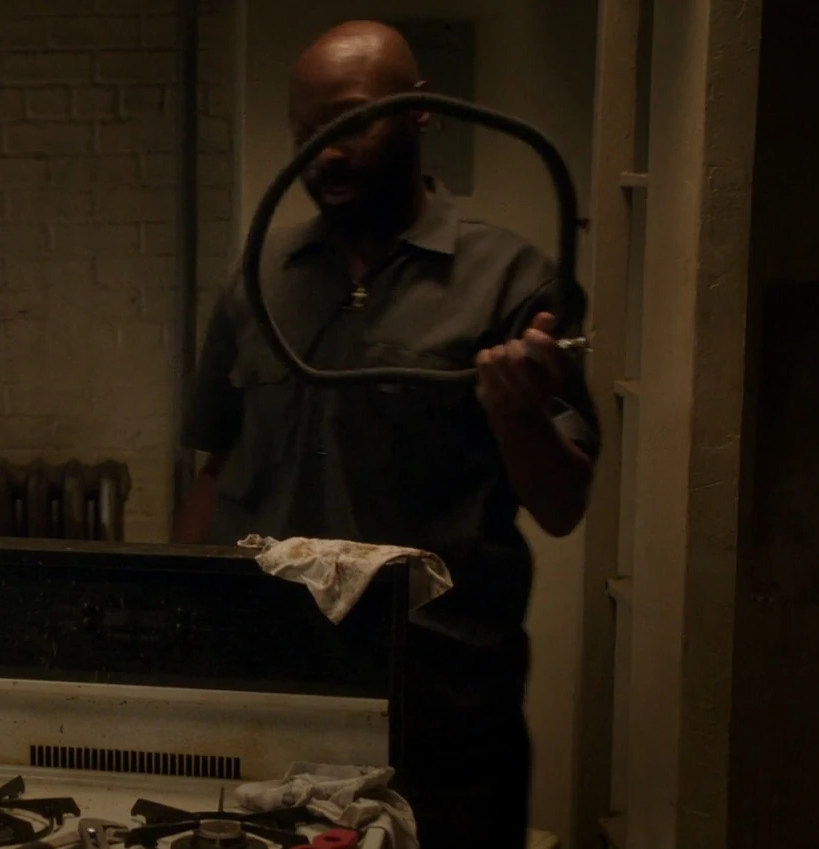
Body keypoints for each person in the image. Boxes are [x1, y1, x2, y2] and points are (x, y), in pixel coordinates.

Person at [174, 21, 600, 849]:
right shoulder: (256, 280)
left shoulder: (511, 280)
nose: (325, 154)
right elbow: (214, 468)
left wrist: (514, 410)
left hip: (442, 711)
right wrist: (174, 636)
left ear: (419, 110)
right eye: (305, 133)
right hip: (272, 690)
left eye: (348, 122)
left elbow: (562, 503)